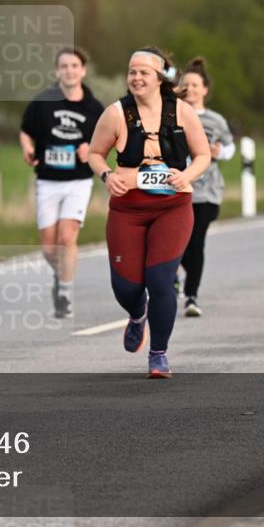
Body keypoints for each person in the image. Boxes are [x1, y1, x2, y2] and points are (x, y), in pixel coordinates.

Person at [88, 47, 210, 379]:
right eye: (132, 72)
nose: (136, 78)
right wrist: (106, 175)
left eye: (143, 72)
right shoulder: (116, 114)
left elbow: (202, 155)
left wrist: (187, 175)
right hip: (128, 208)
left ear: (160, 78)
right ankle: (137, 312)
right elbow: (95, 153)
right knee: (126, 287)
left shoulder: (182, 112)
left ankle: (158, 355)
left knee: (160, 280)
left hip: (172, 206)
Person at [19, 47, 104, 318]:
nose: (69, 70)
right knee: (48, 248)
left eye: (74, 65)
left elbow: (109, 140)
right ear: (57, 71)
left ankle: (65, 293)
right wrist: (27, 149)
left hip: (78, 181)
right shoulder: (43, 101)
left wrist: (89, 148)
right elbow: (25, 131)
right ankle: (59, 275)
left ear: (83, 70)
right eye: (64, 66)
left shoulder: (94, 107)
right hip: (47, 180)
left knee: (66, 239)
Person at [177, 57, 235, 318]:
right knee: (177, 242)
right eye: (185, 84)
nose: (190, 89)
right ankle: (173, 277)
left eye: (195, 84)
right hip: (178, 189)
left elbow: (230, 147)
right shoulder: (171, 115)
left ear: (205, 89)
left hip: (207, 192)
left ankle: (191, 296)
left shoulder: (215, 120)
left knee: (195, 241)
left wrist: (219, 152)